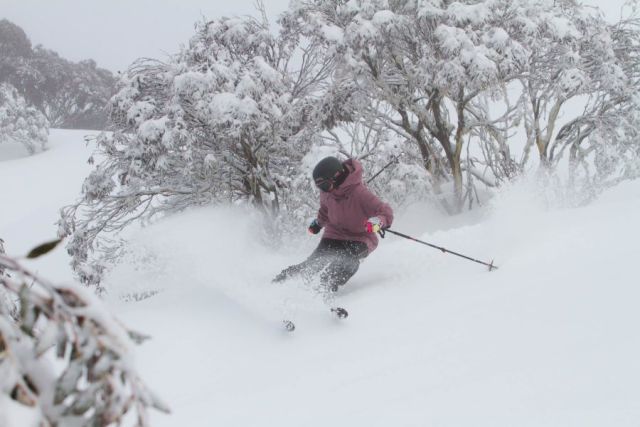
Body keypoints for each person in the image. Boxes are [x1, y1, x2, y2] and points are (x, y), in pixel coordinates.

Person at [273, 156, 394, 292]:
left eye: (324, 185)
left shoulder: (360, 193)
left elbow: (386, 212)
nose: (323, 190)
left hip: (360, 237)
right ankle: (286, 280)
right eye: (319, 187)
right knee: (315, 262)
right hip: (334, 233)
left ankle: (326, 287)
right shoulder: (326, 193)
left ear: (337, 176)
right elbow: (325, 211)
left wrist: (377, 223)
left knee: (347, 260)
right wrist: (318, 224)